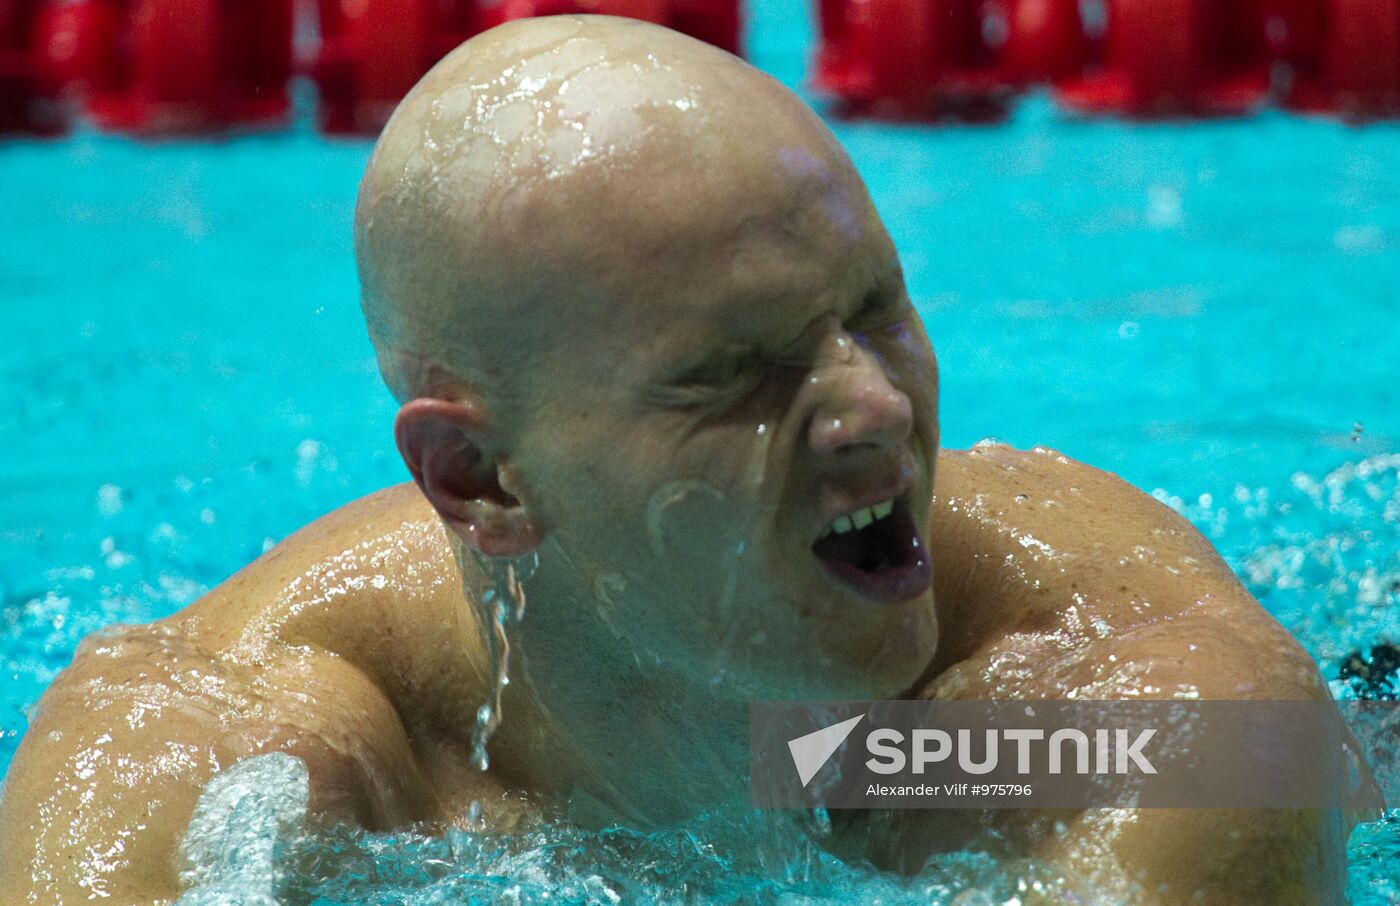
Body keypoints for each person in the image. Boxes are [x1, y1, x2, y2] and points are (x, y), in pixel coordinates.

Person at [0, 15, 1351, 904]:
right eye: (738, 370)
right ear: (481, 479)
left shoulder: (1080, 692)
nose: (875, 409)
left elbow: (1232, 768)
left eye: (876, 307)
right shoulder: (242, 766)